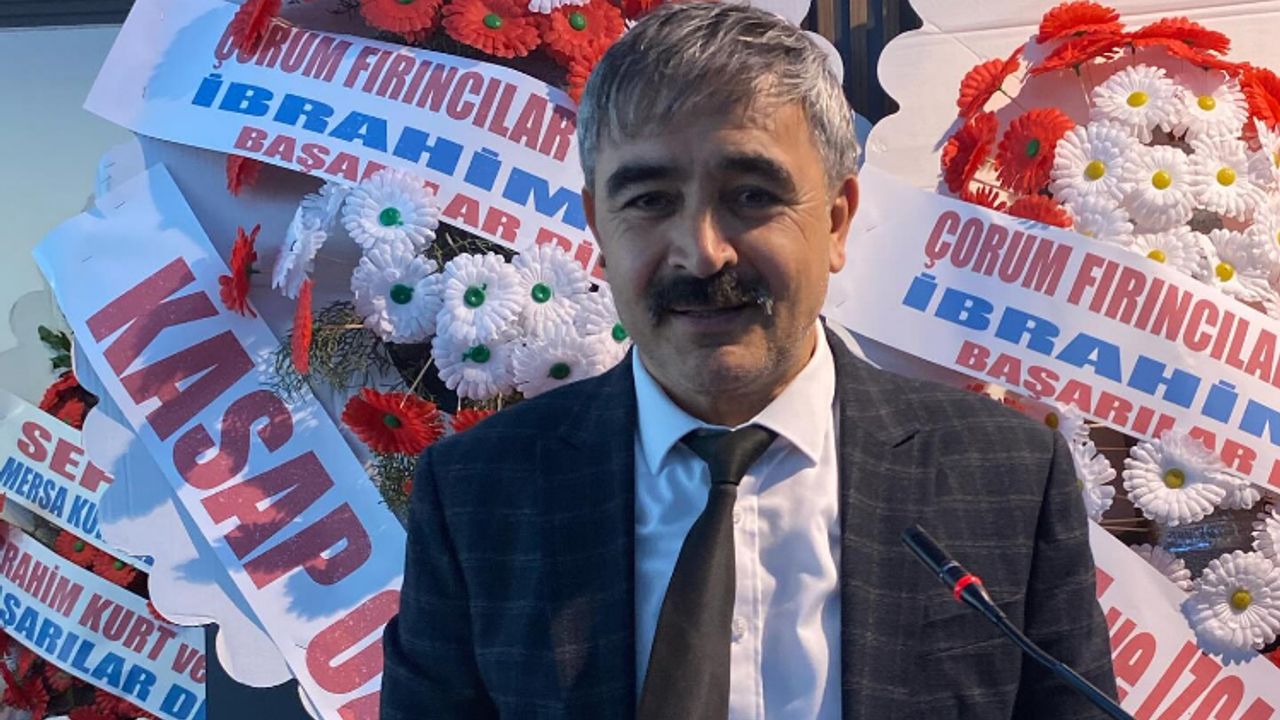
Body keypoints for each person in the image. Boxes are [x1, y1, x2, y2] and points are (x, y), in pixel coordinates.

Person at [380, 3, 1117, 718]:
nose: (702, 254)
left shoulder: (1008, 477)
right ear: (599, 227)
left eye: (752, 196)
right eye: (649, 200)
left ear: (836, 220)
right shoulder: (479, 493)